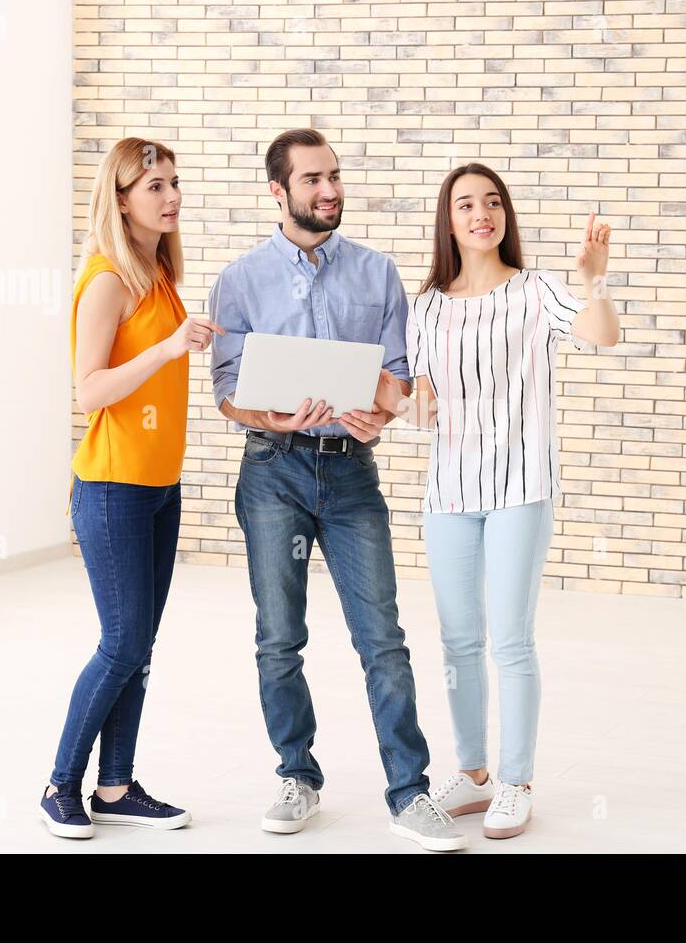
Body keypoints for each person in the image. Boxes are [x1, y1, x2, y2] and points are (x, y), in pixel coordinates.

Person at [208, 128, 467, 852]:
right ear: (279, 192)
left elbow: (399, 377)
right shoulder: (240, 280)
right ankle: (298, 774)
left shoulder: (378, 273)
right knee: (278, 639)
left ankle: (410, 794)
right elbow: (227, 391)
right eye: (314, 180)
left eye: (335, 177)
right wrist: (273, 415)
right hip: (272, 471)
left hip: (351, 472)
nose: (330, 191)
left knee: (382, 638)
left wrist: (378, 411)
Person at [374, 162, 619, 838]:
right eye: (465, 204)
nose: (481, 213)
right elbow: (420, 399)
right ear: (447, 221)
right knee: (457, 642)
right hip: (449, 490)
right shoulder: (423, 305)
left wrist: (592, 278)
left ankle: (517, 780)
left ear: (503, 215)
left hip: (520, 486)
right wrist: (406, 407)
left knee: (509, 639)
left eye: (491, 202)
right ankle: (475, 775)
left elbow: (603, 336)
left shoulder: (537, 291)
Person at [40, 137, 224, 838]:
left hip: (158, 486)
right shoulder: (108, 278)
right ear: (121, 199)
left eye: (175, 182)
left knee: (140, 644)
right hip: (112, 485)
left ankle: (116, 787)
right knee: (120, 642)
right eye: (155, 186)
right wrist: (167, 347)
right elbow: (90, 391)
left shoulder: (159, 272)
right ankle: (62, 783)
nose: (172, 195)